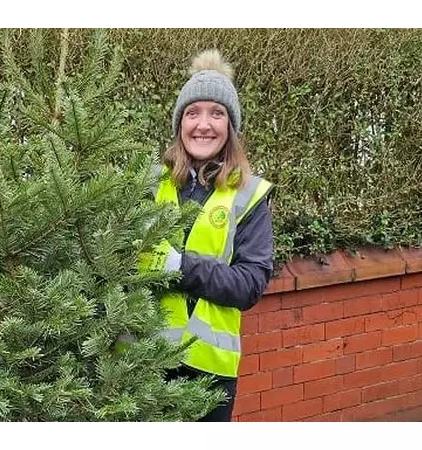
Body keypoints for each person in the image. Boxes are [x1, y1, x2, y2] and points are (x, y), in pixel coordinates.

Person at [140, 49, 275, 421]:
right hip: (140, 362)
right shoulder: (148, 185)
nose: (203, 124)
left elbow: (250, 283)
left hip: (208, 375)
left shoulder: (249, 196)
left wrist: (179, 267)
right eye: (192, 113)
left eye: (217, 113)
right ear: (179, 124)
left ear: (231, 127)